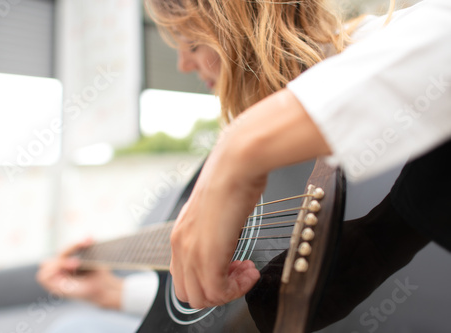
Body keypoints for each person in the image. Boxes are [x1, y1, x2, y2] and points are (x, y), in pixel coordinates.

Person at [144, 0, 451, 310]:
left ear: (244, 27)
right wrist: (118, 292)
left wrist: (239, 148)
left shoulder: (373, 45)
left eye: (193, 44)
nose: (182, 64)